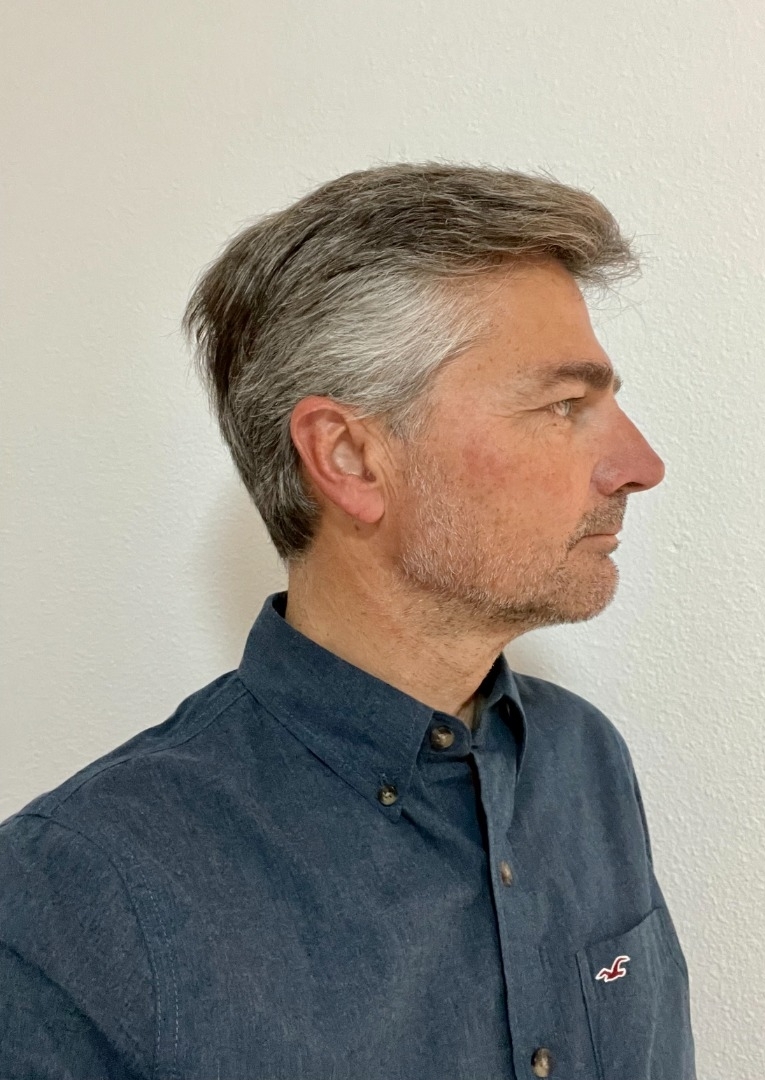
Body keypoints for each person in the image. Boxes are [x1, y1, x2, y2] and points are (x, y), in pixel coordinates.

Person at [0, 163, 696, 1080]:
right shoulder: (74, 897)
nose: (641, 463)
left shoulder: (583, 763)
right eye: (565, 406)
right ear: (350, 458)